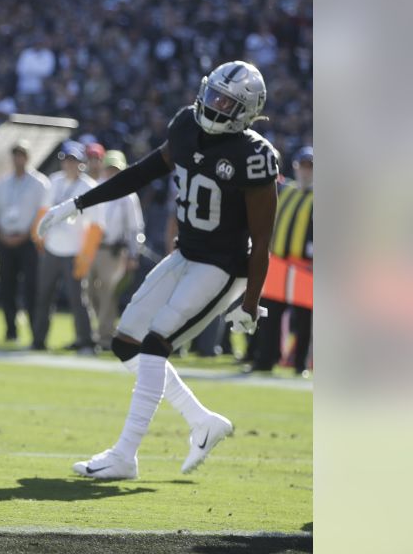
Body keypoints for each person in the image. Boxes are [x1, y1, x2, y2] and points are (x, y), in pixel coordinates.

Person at [39, 60, 278, 479]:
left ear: (246, 110)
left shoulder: (254, 156)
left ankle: (125, 455)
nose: (215, 105)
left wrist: (250, 301)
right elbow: (141, 173)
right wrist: (76, 203)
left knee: (154, 344)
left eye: (227, 102)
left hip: (223, 266)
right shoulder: (186, 124)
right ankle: (203, 422)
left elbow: (262, 241)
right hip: (186, 254)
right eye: (214, 95)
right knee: (126, 342)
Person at [247, 146, 312, 374]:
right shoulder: (287, 191)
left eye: (310, 168)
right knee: (269, 316)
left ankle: (299, 365)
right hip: (278, 264)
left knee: (304, 319)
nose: (306, 172)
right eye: (302, 166)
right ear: (296, 167)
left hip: (305, 266)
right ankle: (264, 360)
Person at [31, 141, 96, 351]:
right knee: (43, 296)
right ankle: (38, 340)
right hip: (52, 247)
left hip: (74, 250)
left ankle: (85, 341)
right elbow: (43, 212)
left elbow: (95, 224)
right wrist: (39, 239)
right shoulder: (55, 181)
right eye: (66, 160)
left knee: (78, 300)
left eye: (73, 160)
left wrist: (86, 254)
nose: (68, 164)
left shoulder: (88, 187)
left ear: (81, 163)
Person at [85, 150, 144, 354]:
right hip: (91, 248)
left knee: (108, 293)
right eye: (110, 168)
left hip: (113, 250)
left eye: (116, 169)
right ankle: (99, 331)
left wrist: (133, 254)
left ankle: (104, 336)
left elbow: (134, 228)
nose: (112, 172)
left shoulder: (128, 196)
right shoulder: (93, 186)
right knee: (90, 292)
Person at [0, 142, 48, 342]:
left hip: (29, 241)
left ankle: (35, 332)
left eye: (22, 155)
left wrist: (24, 236)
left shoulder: (39, 183)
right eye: (15, 155)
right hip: (5, 240)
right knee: (7, 287)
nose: (18, 159)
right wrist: (3, 236)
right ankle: (10, 331)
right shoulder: (4, 182)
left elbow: (42, 215)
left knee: (31, 288)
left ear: (28, 157)